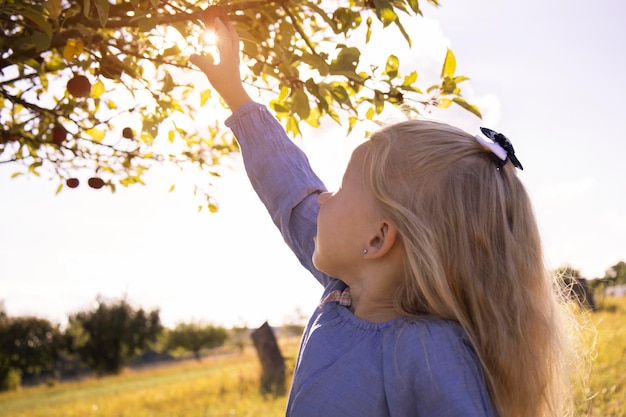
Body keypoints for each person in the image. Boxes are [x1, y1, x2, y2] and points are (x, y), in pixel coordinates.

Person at [189, 18, 574, 417]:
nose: (320, 200)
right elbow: (289, 190)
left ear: (377, 240)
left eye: (338, 189)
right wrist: (236, 96)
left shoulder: (428, 353)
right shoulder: (344, 290)